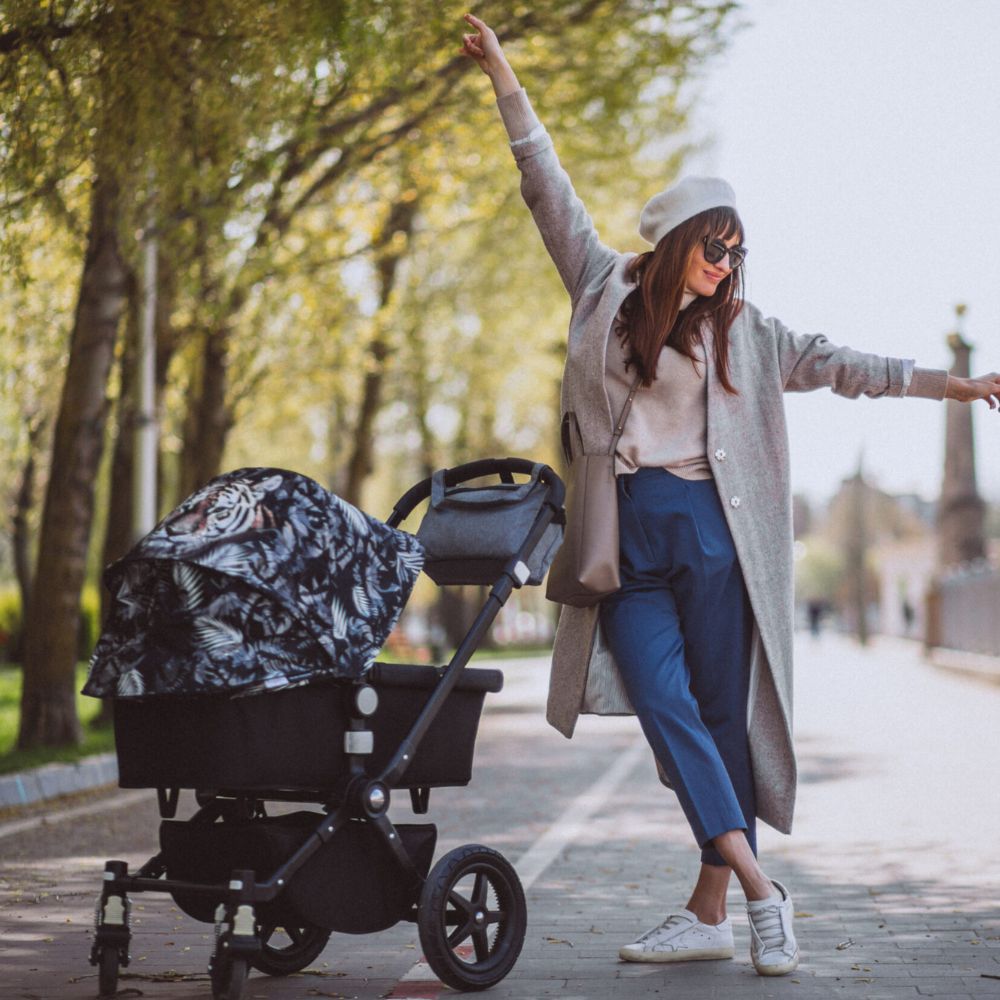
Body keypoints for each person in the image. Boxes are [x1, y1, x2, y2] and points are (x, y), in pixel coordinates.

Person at [459, 12, 1000, 978]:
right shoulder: (599, 290)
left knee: (721, 717)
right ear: (675, 243)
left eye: (737, 253)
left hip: (716, 535)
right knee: (667, 708)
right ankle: (762, 895)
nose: (726, 266)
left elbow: (840, 365)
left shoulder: (746, 332)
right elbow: (546, 184)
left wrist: (947, 385)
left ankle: (711, 908)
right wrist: (503, 74)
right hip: (622, 536)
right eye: (715, 249)